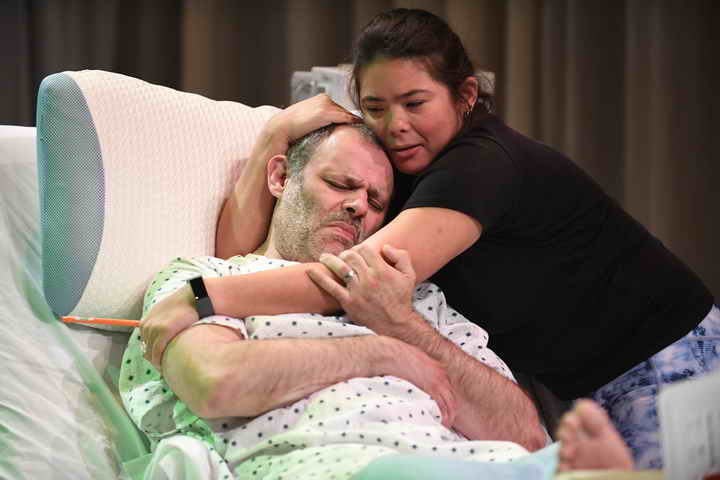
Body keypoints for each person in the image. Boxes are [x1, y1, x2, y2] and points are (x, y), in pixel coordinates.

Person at [141, 8, 720, 469]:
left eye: (415, 103)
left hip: (665, 357)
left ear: (465, 96)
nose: (395, 126)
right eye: (375, 107)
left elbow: (351, 279)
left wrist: (202, 297)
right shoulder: (400, 170)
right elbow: (235, 256)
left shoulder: (480, 166)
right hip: (569, 385)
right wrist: (275, 133)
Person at [121, 123, 549, 479]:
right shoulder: (206, 282)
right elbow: (215, 383)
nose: (359, 205)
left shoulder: (416, 300)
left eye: (376, 202)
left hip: (476, 464)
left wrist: (401, 325)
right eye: (340, 184)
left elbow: (526, 435)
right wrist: (382, 354)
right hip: (336, 465)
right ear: (280, 177)